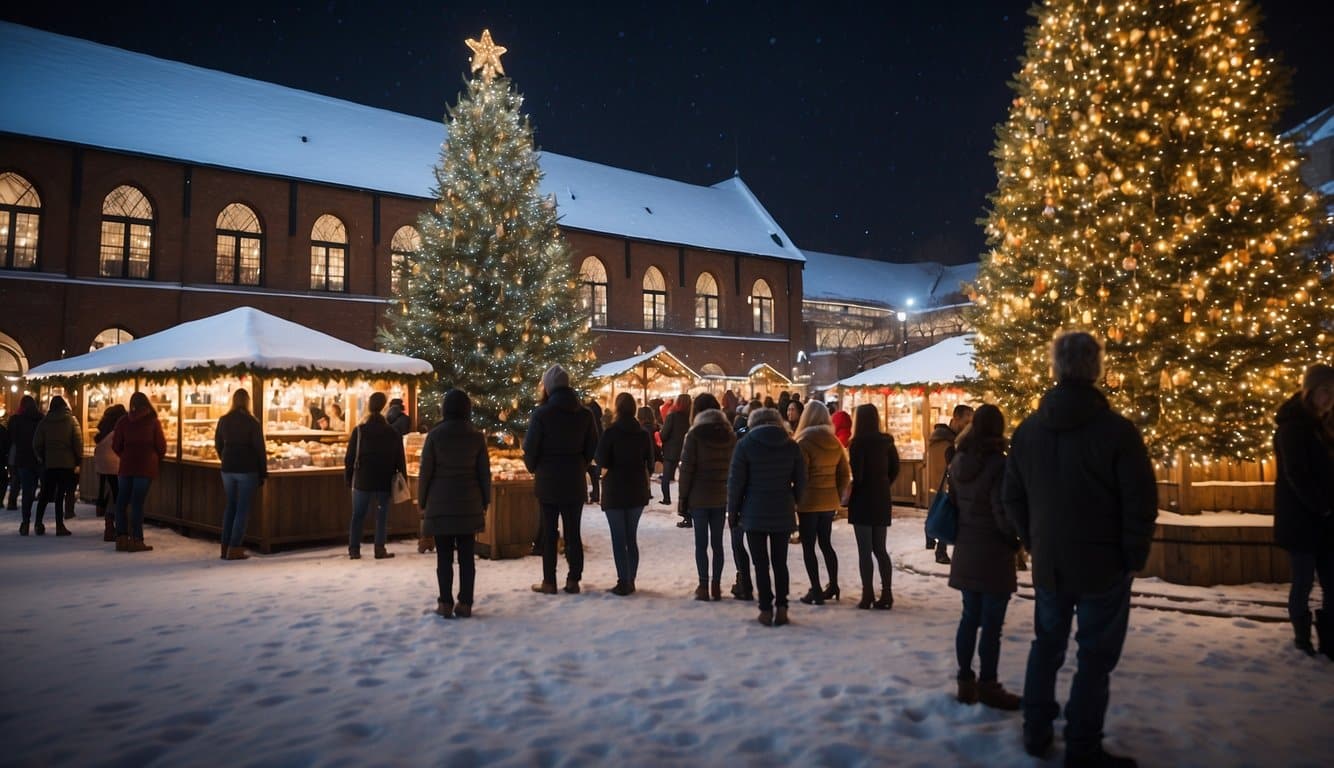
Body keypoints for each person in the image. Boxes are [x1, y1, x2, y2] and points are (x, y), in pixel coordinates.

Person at [1002, 331, 1157, 767]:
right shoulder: (1117, 431)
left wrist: (1033, 539)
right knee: (1094, 656)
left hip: (1051, 562)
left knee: (1046, 646)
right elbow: (1140, 499)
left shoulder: (1030, 430)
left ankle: (1036, 732)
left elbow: (1010, 494)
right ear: (1095, 367)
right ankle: (1083, 744)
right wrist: (1133, 555)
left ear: (1057, 367)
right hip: (1104, 564)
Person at [949, 404, 1022, 710]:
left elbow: (954, 503)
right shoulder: (998, 465)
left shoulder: (959, 461)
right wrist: (1013, 540)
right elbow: (1001, 510)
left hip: (966, 547)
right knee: (992, 624)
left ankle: (965, 680)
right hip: (992, 551)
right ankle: (988, 684)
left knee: (969, 618)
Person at [1273, 363, 1334, 658]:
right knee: (1303, 582)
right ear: (1310, 391)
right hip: (1301, 520)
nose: (1330, 397)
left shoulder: (1324, 425)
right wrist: (1322, 506)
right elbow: (1296, 474)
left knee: (1331, 581)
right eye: (1325, 390)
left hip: (1325, 520)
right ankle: (1302, 638)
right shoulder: (1293, 427)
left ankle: (1329, 638)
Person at [728, 407, 806, 626]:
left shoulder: (745, 445)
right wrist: (795, 501)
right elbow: (801, 479)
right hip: (782, 509)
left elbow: (736, 483)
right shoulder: (791, 445)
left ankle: (765, 608)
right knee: (780, 562)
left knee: (760, 563)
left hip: (754, 512)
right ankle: (782, 606)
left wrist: (733, 511)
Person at [525, 364, 598, 595]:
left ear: (548, 387)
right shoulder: (585, 414)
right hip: (574, 480)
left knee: (549, 532)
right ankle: (573, 580)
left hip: (548, 481)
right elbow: (592, 446)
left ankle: (549, 581)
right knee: (573, 532)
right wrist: (580, 465)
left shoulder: (542, 414)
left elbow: (531, 448)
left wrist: (536, 468)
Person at [419, 389, 490, 618]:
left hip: (440, 506)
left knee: (444, 557)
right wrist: (485, 501)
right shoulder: (476, 437)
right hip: (469, 505)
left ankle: (445, 602)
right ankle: (466, 602)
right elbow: (483, 474)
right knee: (467, 557)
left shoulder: (435, 435)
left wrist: (422, 501)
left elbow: (425, 472)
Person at [595, 392, 654, 596]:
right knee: (631, 537)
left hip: (615, 490)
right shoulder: (643, 433)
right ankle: (632, 578)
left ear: (617, 408)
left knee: (618, 538)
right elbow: (651, 464)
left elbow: (601, 459)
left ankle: (624, 580)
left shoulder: (611, 432)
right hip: (637, 490)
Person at [678, 392, 734, 601]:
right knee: (717, 544)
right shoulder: (729, 434)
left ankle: (703, 585)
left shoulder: (694, 435)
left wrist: (683, 499)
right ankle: (716, 585)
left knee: (701, 543)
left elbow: (687, 470)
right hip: (721, 496)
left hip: (698, 497)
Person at [794, 401, 849, 605]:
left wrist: (796, 497)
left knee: (809, 546)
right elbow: (844, 474)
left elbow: (801, 476)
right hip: (829, 502)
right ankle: (833, 584)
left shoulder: (803, 443)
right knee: (826, 543)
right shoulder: (834, 442)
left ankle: (815, 588)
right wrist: (836, 493)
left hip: (809, 503)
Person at [847, 403, 899, 610]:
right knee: (880, 549)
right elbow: (895, 469)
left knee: (864, 550)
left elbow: (858, 475)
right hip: (881, 498)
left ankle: (867, 593)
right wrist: (883, 483)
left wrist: (854, 485)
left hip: (862, 500)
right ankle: (887, 592)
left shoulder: (857, 444)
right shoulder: (887, 442)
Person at [344, 391, 406, 560]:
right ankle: (379, 548)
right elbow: (400, 458)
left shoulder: (360, 431)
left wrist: (349, 477)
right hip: (383, 480)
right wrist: (402, 479)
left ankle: (354, 549)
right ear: (385, 407)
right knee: (381, 515)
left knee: (358, 515)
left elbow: (350, 457)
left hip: (362, 480)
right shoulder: (392, 432)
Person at [214, 388, 267, 561]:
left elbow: (218, 443)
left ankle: (224, 546)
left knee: (231, 506)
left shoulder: (223, 420)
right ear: (247, 402)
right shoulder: (252, 422)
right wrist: (262, 472)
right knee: (242, 509)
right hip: (247, 468)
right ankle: (235, 547)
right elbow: (260, 449)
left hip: (227, 468)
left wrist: (225, 458)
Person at [112, 392, 168, 552]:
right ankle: (137, 539)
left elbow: (115, 445)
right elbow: (161, 446)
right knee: (137, 503)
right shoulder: (153, 421)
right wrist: (155, 457)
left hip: (127, 466)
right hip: (145, 467)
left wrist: (125, 455)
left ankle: (121, 538)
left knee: (121, 502)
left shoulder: (123, 421)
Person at [926, 403, 974, 565]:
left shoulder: (945, 439)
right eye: (966, 422)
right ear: (955, 419)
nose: (969, 426)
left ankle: (939, 546)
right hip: (945, 486)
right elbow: (950, 465)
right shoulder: (946, 441)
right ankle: (941, 550)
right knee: (947, 515)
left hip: (944, 486)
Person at [32, 395, 82, 537]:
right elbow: (78, 443)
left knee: (45, 494)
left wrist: (41, 457)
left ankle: (38, 523)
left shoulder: (44, 422)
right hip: (67, 463)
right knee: (60, 494)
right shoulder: (72, 421)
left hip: (50, 463)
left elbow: (36, 443)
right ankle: (60, 526)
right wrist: (78, 459)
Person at [93, 403, 128, 542]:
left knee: (109, 492)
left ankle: (109, 524)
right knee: (117, 495)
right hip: (115, 462)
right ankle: (114, 528)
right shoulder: (120, 426)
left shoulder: (105, 425)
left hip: (102, 462)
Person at [10, 395, 42, 531]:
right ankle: (38, 523)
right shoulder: (41, 419)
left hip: (23, 460)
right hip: (39, 460)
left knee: (27, 493)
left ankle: (25, 522)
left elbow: (11, 439)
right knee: (43, 492)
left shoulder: (16, 420)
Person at [660, 393, 691, 514]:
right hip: (686, 451)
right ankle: (683, 503)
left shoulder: (672, 416)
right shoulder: (691, 417)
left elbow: (664, 435)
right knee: (685, 479)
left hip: (671, 451)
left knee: (666, 476)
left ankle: (666, 498)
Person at [586, 397, 604, 504]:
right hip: (596, 450)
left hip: (588, 450)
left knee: (584, 473)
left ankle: (586, 495)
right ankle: (596, 494)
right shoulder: (599, 424)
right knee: (594, 474)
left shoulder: (588, 420)